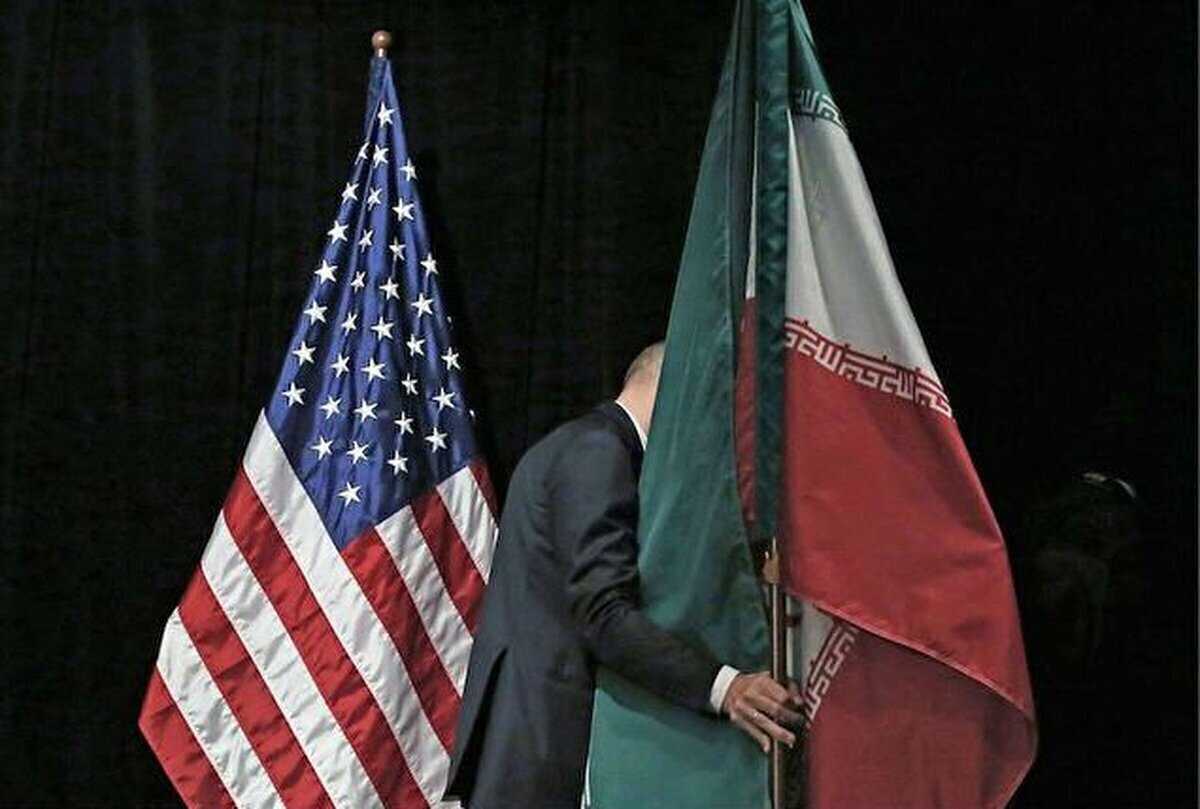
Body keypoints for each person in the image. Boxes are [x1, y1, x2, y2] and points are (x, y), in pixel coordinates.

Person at [444, 342, 799, 808]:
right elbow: (603, 614)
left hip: (530, 750)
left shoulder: (581, 447)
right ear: (677, 392)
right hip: (547, 754)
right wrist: (726, 687)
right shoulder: (598, 450)